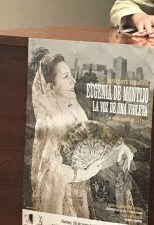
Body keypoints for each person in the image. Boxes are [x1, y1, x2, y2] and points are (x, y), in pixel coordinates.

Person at [30, 54, 134, 217]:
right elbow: (48, 171)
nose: (74, 81)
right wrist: (80, 174)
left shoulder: (76, 111)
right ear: (51, 87)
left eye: (71, 75)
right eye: (66, 77)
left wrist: (119, 151)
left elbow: (91, 153)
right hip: (62, 201)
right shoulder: (49, 124)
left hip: (81, 196)